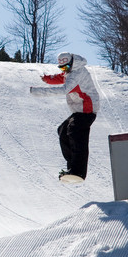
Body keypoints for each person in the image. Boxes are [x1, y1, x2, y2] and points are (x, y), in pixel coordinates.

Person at [30, 52, 100, 182]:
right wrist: (47, 79)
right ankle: (72, 169)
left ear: (72, 63)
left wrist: (37, 91)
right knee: (62, 131)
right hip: (79, 111)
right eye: (62, 68)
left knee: (75, 133)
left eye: (66, 67)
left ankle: (78, 171)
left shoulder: (78, 73)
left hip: (87, 110)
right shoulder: (70, 72)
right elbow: (61, 77)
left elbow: (64, 89)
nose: (64, 70)